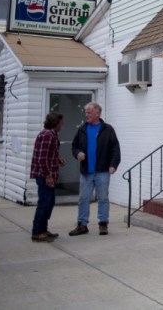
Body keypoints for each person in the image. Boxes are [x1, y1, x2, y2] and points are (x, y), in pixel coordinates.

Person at [69, 101, 121, 236]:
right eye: (86, 112)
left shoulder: (108, 129)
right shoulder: (82, 129)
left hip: (102, 171)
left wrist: (113, 165)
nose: (87, 115)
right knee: (83, 198)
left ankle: (103, 224)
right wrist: (77, 153)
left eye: (89, 112)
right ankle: (82, 225)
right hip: (86, 172)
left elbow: (115, 148)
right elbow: (74, 146)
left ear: (98, 113)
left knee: (103, 198)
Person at [30, 112, 66, 242]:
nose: (63, 124)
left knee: (49, 203)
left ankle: (43, 229)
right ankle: (37, 232)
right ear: (55, 122)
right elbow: (42, 159)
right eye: (61, 122)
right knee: (44, 203)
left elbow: (48, 155)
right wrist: (48, 176)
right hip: (44, 176)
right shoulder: (47, 135)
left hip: (48, 174)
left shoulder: (52, 135)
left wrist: (58, 160)